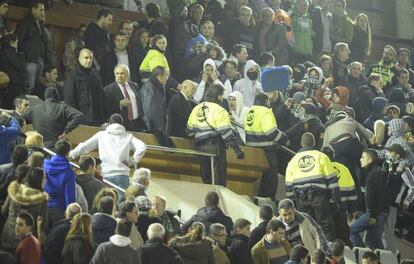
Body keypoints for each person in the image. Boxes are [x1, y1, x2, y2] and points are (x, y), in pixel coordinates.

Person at [69, 113, 147, 193]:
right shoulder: (128, 136)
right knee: (121, 204)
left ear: (109, 124)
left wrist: (70, 155)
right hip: (122, 176)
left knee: (107, 201)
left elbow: (83, 147)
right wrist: (132, 160)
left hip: (106, 175)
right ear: (121, 124)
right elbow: (142, 146)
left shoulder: (101, 135)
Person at [187, 84, 244, 186]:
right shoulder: (220, 110)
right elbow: (227, 133)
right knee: (218, 179)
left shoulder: (197, 108)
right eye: (222, 96)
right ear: (218, 96)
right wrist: (237, 150)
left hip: (199, 147)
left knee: (207, 179)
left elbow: (189, 131)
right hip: (215, 147)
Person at [285, 133, 340, 240]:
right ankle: (328, 252)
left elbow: (288, 187)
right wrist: (335, 200)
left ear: (301, 143)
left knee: (308, 228)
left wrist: (294, 204)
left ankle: (313, 254)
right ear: (314, 143)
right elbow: (332, 182)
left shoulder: (293, 161)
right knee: (326, 227)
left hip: (302, 199)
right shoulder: (322, 157)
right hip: (320, 198)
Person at [244, 93, 288, 199]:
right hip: (266, 151)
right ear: (266, 101)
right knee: (270, 179)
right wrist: (284, 138)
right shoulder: (265, 112)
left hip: (252, 149)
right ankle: (268, 200)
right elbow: (271, 132)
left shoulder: (250, 111)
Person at [350, 149, 389, 249]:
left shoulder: (375, 174)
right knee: (373, 241)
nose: (360, 159)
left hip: (376, 213)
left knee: (353, 230)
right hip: (376, 213)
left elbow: (379, 197)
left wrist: (373, 216)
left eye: (363, 157)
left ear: (370, 160)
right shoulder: (374, 172)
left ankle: (363, 254)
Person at [1, 167, 47, 251]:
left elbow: (3, 211)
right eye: (44, 178)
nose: (45, 181)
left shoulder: (14, 190)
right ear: (39, 181)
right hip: (26, 242)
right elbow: (43, 224)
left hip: (7, 236)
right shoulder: (41, 200)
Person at [64, 48, 107, 125]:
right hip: (81, 119)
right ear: (79, 59)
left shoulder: (95, 75)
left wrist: (103, 118)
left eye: (90, 58)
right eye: (86, 58)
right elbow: (69, 100)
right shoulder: (72, 76)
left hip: (97, 119)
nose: (89, 60)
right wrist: (74, 118)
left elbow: (102, 97)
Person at [15, 1, 51, 94]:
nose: (43, 13)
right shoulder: (25, 23)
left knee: (36, 88)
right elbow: (18, 42)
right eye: (41, 10)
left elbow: (45, 44)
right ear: (33, 9)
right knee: (28, 87)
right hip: (29, 61)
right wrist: (22, 58)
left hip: (39, 60)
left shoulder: (40, 24)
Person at [104, 64, 146, 132]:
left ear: (128, 75)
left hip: (138, 124)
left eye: (122, 73)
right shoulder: (108, 90)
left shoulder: (135, 86)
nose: (119, 76)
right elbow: (107, 110)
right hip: (121, 126)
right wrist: (119, 105)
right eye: (117, 73)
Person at [44, 140, 76, 226]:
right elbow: (70, 195)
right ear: (68, 152)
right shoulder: (69, 172)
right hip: (59, 209)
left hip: (44, 206)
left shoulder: (44, 165)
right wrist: (71, 215)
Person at [0, 34, 27, 109]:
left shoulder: (3, 51)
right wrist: (21, 56)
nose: (17, 45)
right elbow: (19, 65)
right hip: (14, 82)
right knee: (23, 105)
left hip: (8, 82)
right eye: (16, 42)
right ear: (11, 42)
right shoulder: (10, 52)